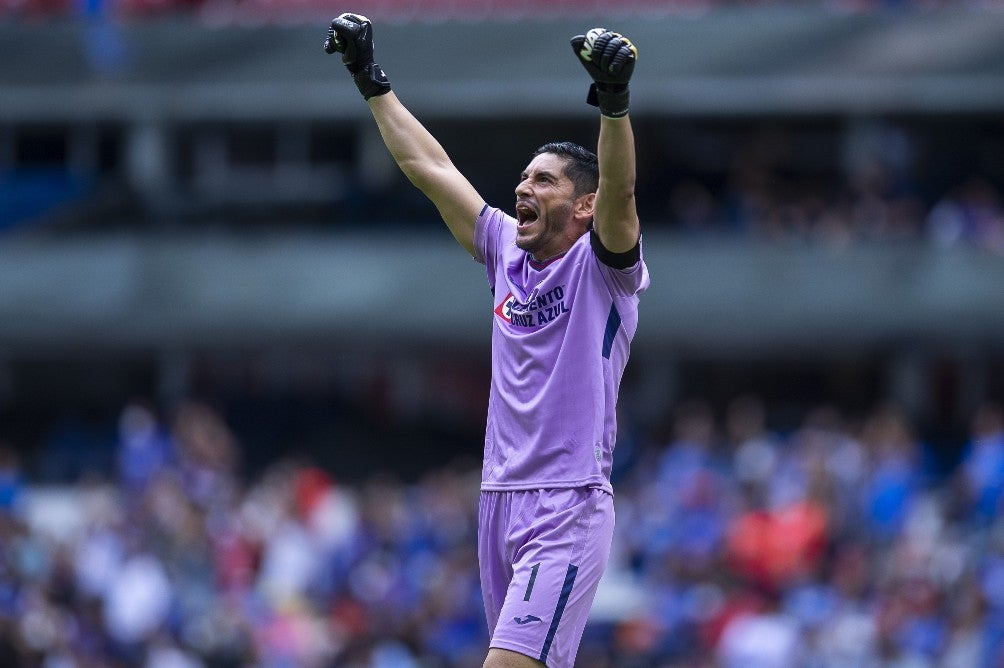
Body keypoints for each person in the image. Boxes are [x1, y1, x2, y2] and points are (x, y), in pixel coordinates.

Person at [323, 14, 649, 667]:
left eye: (544, 180)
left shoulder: (604, 265)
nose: (523, 189)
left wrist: (614, 108)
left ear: (582, 207)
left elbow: (620, 191)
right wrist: (370, 80)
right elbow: (429, 165)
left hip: (566, 505)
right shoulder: (506, 250)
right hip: (498, 503)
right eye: (524, 179)